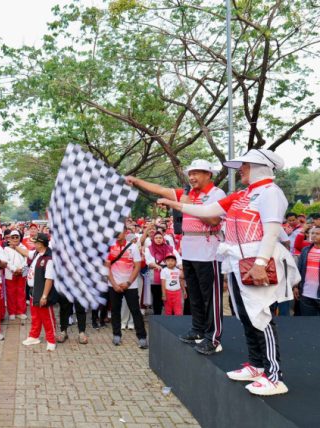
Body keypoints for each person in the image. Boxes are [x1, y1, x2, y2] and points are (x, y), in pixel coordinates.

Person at [158, 149, 299, 396]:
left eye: (245, 165)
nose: (240, 169)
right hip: (236, 261)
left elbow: (272, 230)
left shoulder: (270, 194)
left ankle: (274, 376)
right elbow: (208, 210)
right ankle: (256, 365)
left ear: (259, 167)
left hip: (256, 261)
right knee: (244, 315)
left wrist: (260, 262)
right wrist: (173, 203)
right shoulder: (243, 194)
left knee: (260, 316)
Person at [127, 159, 225, 355]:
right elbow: (160, 190)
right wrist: (136, 180)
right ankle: (198, 330)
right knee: (194, 296)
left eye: (197, 173)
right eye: (190, 173)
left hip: (208, 250)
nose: (192, 177)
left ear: (209, 175)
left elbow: (214, 219)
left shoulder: (216, 194)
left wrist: (190, 206)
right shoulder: (187, 194)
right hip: (188, 250)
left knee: (210, 297)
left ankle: (213, 338)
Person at [106, 231, 147, 349]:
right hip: (114, 285)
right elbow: (106, 267)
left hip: (131, 285)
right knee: (115, 310)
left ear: (125, 233)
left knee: (135, 310)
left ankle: (142, 337)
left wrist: (128, 282)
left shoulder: (133, 247)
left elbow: (138, 266)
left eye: (120, 232)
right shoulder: (109, 247)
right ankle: (116, 334)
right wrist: (114, 284)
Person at [21, 233, 57, 351]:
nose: (33, 243)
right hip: (33, 291)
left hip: (42, 293)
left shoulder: (49, 258)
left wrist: (44, 296)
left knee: (47, 317)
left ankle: (51, 340)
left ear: (41, 244)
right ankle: (34, 336)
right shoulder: (37, 253)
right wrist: (15, 246)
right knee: (35, 316)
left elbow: (49, 279)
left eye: (35, 242)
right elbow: (26, 253)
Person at [145, 231, 182, 315]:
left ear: (163, 239)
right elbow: (148, 261)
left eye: (160, 238)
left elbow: (178, 258)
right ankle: (157, 315)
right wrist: (155, 265)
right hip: (155, 275)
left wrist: (180, 266)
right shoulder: (149, 248)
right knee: (157, 297)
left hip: (169, 275)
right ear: (153, 239)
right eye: (156, 238)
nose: (158, 239)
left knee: (170, 298)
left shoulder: (170, 248)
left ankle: (171, 317)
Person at [295, 226, 320, 316]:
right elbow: (299, 269)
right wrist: (296, 287)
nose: (313, 235)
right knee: (308, 323)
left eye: (317, 234)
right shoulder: (305, 251)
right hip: (306, 294)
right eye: (312, 233)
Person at [4, 230, 27, 321]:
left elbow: (26, 260)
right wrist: (14, 269)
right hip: (10, 274)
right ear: (9, 238)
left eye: (16, 237)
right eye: (12, 237)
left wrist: (21, 269)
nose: (15, 239)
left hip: (22, 273)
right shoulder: (6, 249)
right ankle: (12, 312)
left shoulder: (23, 247)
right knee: (11, 293)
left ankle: (21, 312)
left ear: (19, 238)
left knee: (21, 292)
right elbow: (6, 262)